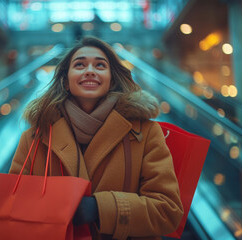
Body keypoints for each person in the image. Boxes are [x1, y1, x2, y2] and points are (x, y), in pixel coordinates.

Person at [9, 36, 183, 240]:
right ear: (65, 81)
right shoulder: (34, 138)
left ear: (112, 79)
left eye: (100, 65)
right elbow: (14, 203)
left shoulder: (145, 133)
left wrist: (100, 208)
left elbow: (167, 210)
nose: (90, 70)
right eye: (80, 64)